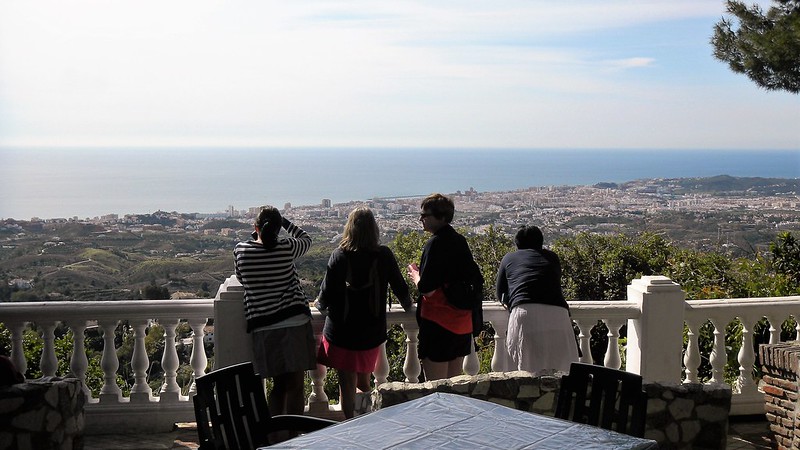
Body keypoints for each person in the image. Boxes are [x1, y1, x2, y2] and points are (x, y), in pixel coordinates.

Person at [315, 207, 411, 419]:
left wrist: (318, 305)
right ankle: (365, 422)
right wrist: (409, 308)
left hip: (341, 331)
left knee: (346, 383)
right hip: (370, 330)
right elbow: (400, 288)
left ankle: (349, 423)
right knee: (364, 382)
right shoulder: (383, 255)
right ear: (374, 229)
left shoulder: (339, 255)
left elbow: (325, 295)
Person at [233, 206, 316, 420]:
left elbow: (242, 279)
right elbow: (306, 239)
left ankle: (274, 437)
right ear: (279, 229)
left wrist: (260, 234)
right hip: (295, 322)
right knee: (296, 385)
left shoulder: (241, 251)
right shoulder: (286, 247)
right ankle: (295, 435)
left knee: (277, 386)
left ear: (256, 227)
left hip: (264, 327)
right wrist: (285, 222)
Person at [407, 193, 483, 381]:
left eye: (425, 215)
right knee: (453, 387)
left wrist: (415, 275)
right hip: (462, 324)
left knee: (436, 390)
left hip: (439, 324)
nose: (421, 219)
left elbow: (427, 288)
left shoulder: (436, 243)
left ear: (441, 217)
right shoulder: (459, 241)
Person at [496, 225, 578, 375]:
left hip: (524, 312)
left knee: (522, 371)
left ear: (517, 243)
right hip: (558, 314)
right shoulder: (552, 257)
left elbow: (500, 292)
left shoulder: (509, 258)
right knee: (561, 370)